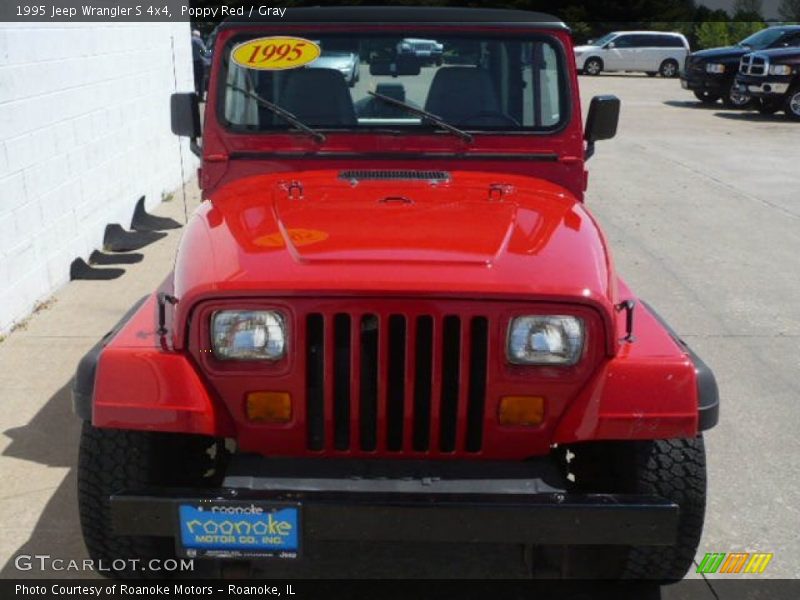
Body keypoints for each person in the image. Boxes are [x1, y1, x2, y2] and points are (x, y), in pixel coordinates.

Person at [191, 29, 208, 99]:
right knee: (201, 79)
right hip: (199, 62)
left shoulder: (188, 40)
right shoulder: (198, 40)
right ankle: (200, 96)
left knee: (194, 80)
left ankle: (193, 96)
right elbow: (204, 51)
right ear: (198, 35)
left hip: (192, 63)